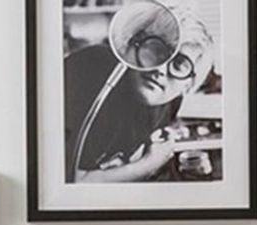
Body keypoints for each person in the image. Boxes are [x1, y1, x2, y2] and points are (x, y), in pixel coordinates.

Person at [63, 7, 216, 183]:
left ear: (189, 84)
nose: (160, 69)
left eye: (179, 63)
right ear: (133, 43)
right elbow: (74, 183)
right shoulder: (89, 70)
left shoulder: (171, 101)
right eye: (156, 50)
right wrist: (149, 163)